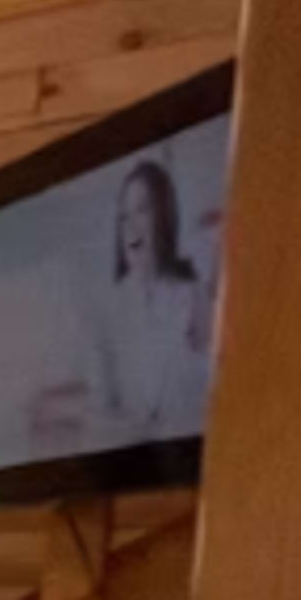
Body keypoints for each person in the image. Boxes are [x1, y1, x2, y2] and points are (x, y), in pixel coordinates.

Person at [90, 155, 215, 441]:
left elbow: (219, 393)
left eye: (142, 210)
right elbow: (100, 413)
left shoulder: (192, 295)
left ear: (164, 216)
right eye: (124, 216)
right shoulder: (107, 309)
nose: (131, 226)